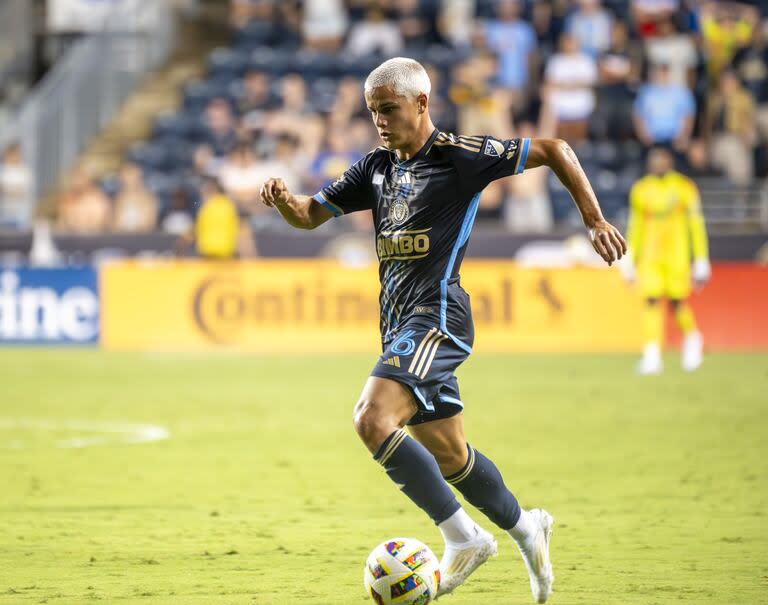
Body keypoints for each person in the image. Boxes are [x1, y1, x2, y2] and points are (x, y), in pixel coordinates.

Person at [259, 57, 625, 602]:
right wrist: (288, 203)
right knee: (453, 456)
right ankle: (529, 529)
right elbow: (312, 214)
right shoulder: (375, 169)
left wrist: (593, 218)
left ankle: (463, 537)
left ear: (422, 103)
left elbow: (554, 149)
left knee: (372, 417)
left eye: (389, 109)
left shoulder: (460, 158)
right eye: (372, 111)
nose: (380, 120)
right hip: (397, 326)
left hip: (438, 319)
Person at [622, 147, 710, 375]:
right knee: (650, 300)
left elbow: (695, 225)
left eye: (661, 159)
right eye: (653, 160)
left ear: (669, 162)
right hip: (651, 257)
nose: (657, 163)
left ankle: (692, 337)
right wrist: (629, 257)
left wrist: (700, 258)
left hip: (676, 256)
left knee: (676, 302)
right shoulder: (641, 190)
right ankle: (652, 356)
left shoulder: (684, 188)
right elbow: (636, 226)